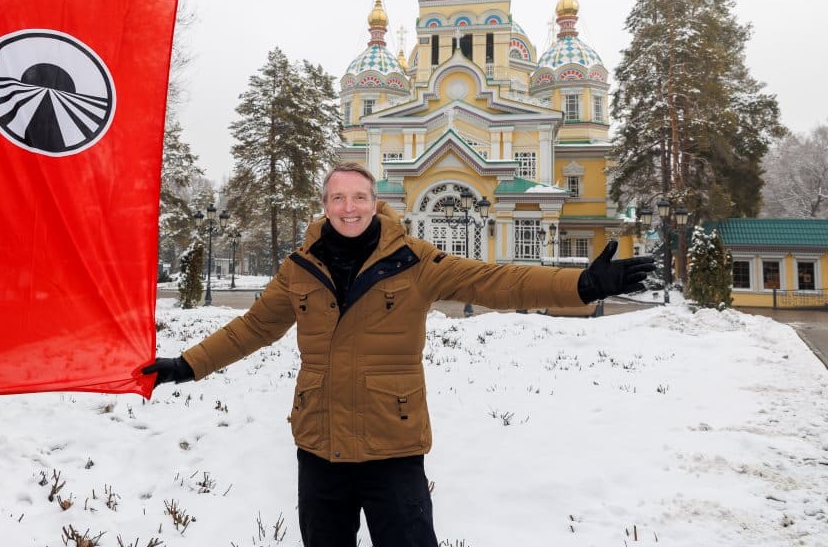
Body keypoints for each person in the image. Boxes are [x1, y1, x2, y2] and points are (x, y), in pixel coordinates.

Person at [142, 162, 654, 546]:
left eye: (358, 197)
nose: (349, 208)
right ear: (325, 206)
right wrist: (186, 366)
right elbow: (253, 327)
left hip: (392, 443)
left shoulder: (414, 261)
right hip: (320, 445)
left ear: (375, 202)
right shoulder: (300, 267)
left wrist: (581, 285)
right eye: (338, 198)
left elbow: (496, 281)